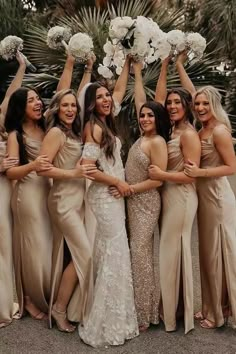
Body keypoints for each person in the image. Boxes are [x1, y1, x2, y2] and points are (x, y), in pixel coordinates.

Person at [78, 57, 139, 347]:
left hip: (113, 195)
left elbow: (120, 90)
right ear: (90, 103)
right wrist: (117, 182)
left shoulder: (105, 121)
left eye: (106, 96)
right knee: (115, 251)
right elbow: (88, 167)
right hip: (105, 196)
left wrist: (126, 62)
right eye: (99, 97)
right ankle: (105, 322)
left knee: (113, 251)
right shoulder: (94, 127)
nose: (106, 100)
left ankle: (117, 315)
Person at [110, 60, 170, 331]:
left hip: (145, 202)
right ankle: (138, 306)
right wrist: (135, 71)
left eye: (150, 116)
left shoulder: (157, 142)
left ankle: (145, 313)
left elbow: (157, 181)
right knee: (137, 253)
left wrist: (130, 190)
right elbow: (139, 100)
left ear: (158, 119)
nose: (145, 118)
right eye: (142, 115)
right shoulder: (143, 136)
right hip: (130, 201)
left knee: (140, 253)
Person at [178, 55, 236, 328]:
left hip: (217, 196)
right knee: (207, 252)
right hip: (203, 198)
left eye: (205, 103)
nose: (199, 107)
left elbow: (231, 167)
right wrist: (177, 63)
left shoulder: (220, 131)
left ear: (214, 106)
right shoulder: (202, 127)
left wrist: (200, 173)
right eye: (197, 103)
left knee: (217, 252)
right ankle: (214, 305)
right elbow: (191, 90)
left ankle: (218, 313)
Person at [149, 56, 201, 334]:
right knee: (170, 252)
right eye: (169, 103)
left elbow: (191, 175)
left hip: (181, 196)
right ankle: (174, 308)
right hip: (168, 195)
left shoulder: (189, 134)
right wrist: (166, 67)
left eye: (176, 103)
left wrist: (162, 176)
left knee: (171, 252)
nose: (170, 106)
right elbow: (157, 101)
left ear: (187, 106)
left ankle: (171, 316)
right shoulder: (171, 128)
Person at [38, 89, 96, 332]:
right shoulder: (54, 133)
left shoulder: (72, 132)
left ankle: (74, 306)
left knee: (75, 254)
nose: (71, 109)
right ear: (57, 109)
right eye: (66, 106)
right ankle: (59, 308)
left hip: (78, 200)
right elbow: (42, 168)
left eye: (74, 106)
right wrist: (73, 173)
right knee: (85, 254)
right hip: (62, 201)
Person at [5, 87, 53, 320]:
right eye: (30, 100)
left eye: (37, 99)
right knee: (31, 248)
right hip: (28, 194)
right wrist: (33, 166)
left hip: (48, 192)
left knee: (46, 245)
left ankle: (44, 292)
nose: (37, 103)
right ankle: (29, 299)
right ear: (20, 108)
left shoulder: (47, 127)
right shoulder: (16, 135)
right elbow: (12, 172)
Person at [0, 52, 26, 327]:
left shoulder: (3, 122)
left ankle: (4, 303)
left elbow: (11, 93)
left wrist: (21, 66)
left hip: (5, 191)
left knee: (4, 245)